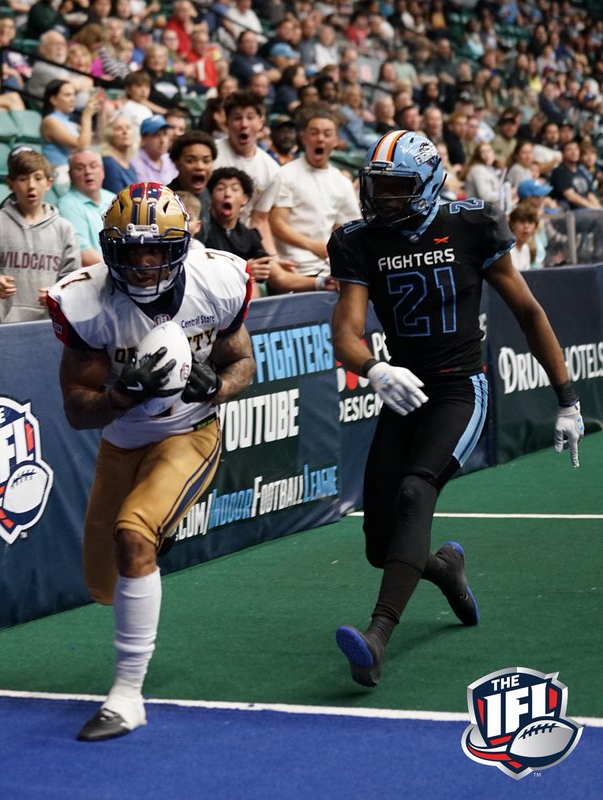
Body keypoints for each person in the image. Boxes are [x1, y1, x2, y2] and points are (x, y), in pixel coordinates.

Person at [328, 130, 585, 688]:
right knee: (380, 543)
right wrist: (374, 368)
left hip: (459, 388)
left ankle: (376, 640)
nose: (384, 200)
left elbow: (529, 312)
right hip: (405, 389)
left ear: (426, 185)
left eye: (397, 188)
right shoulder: (357, 239)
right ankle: (444, 567)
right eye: (377, 188)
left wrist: (566, 399)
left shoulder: (471, 224)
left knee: (415, 493)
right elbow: (345, 334)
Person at [47, 182, 255, 740]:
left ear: (179, 245)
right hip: (122, 440)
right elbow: (75, 410)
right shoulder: (86, 301)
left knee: (133, 534)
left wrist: (218, 389)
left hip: (189, 433)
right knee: (103, 580)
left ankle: (126, 696)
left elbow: (242, 362)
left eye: (155, 249)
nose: (142, 264)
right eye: (130, 250)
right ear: (108, 249)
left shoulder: (217, 280)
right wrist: (122, 395)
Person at [0, 150, 79, 323]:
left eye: (38, 178)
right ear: (10, 184)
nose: (31, 185)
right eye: (22, 179)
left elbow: (72, 279)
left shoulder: (64, 229)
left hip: (50, 326)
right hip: (5, 327)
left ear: (49, 183)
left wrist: (58, 294)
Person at [267, 108, 358, 292]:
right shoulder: (286, 174)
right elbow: (276, 223)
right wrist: (312, 245)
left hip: (329, 268)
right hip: (295, 268)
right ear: (303, 138)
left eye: (327, 134)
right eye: (314, 133)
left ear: (335, 141)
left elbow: (347, 229)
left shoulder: (341, 182)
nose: (320, 139)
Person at [214, 90, 280, 254]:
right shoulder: (210, 155)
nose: (244, 124)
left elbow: (259, 220)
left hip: (244, 240)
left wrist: (273, 258)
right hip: (209, 234)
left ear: (261, 122)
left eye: (250, 117)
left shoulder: (272, 170)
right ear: (227, 122)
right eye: (237, 118)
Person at [204, 166, 274, 296]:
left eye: (234, 189)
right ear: (211, 196)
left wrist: (264, 267)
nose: (227, 194)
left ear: (245, 199)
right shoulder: (201, 231)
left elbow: (261, 266)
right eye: (220, 188)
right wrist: (243, 270)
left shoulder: (249, 235)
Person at [59, 149, 115, 267]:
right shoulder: (66, 205)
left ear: (103, 171)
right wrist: (119, 273)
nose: (88, 172)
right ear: (70, 175)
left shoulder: (113, 198)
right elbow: (84, 254)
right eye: (79, 168)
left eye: (93, 166)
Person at [42, 82, 102, 184]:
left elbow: (96, 140)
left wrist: (100, 113)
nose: (73, 99)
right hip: (60, 172)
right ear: (54, 100)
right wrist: (86, 116)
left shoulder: (71, 124)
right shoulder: (50, 121)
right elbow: (82, 147)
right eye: (67, 95)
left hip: (76, 171)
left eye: (74, 95)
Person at [132, 115, 176, 186]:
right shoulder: (134, 162)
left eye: (165, 134)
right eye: (156, 135)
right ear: (143, 139)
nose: (162, 140)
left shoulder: (169, 158)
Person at [100, 113, 138, 194]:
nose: (125, 132)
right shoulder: (109, 163)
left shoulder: (130, 164)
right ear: (110, 135)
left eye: (128, 128)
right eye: (119, 128)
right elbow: (117, 198)